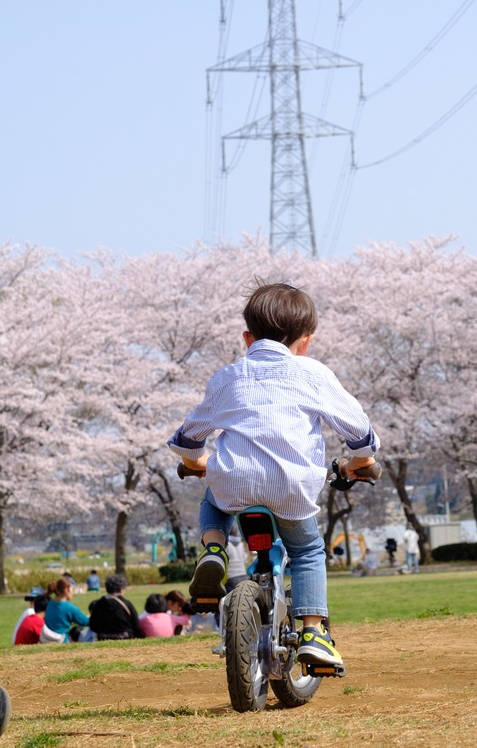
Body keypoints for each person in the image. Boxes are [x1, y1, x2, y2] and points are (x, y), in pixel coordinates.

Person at [167, 282, 379, 670]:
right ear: (306, 341)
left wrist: (197, 461)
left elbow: (187, 439)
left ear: (247, 338)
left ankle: (213, 550)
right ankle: (313, 632)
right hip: (291, 487)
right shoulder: (313, 373)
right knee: (307, 551)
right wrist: (361, 461)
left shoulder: (228, 377)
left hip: (234, 481)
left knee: (214, 500)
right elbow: (360, 434)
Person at [87, 574, 144, 640]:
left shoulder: (98, 604)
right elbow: (136, 625)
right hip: (126, 637)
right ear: (121, 589)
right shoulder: (126, 604)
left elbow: (93, 626)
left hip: (103, 638)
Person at [44, 577, 88, 643]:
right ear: (66, 589)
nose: (72, 593)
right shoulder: (68, 607)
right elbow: (85, 621)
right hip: (62, 640)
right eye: (72, 589)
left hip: (47, 639)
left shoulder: (50, 604)